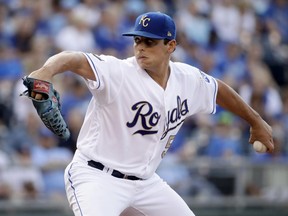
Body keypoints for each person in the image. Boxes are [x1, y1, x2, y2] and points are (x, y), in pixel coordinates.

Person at [26, 11, 274, 216]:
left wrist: (256, 120)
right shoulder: (119, 73)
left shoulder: (186, 79)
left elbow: (218, 89)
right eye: (137, 40)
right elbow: (75, 59)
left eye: (149, 42)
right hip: (97, 177)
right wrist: (46, 71)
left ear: (171, 46)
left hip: (146, 183)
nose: (140, 47)